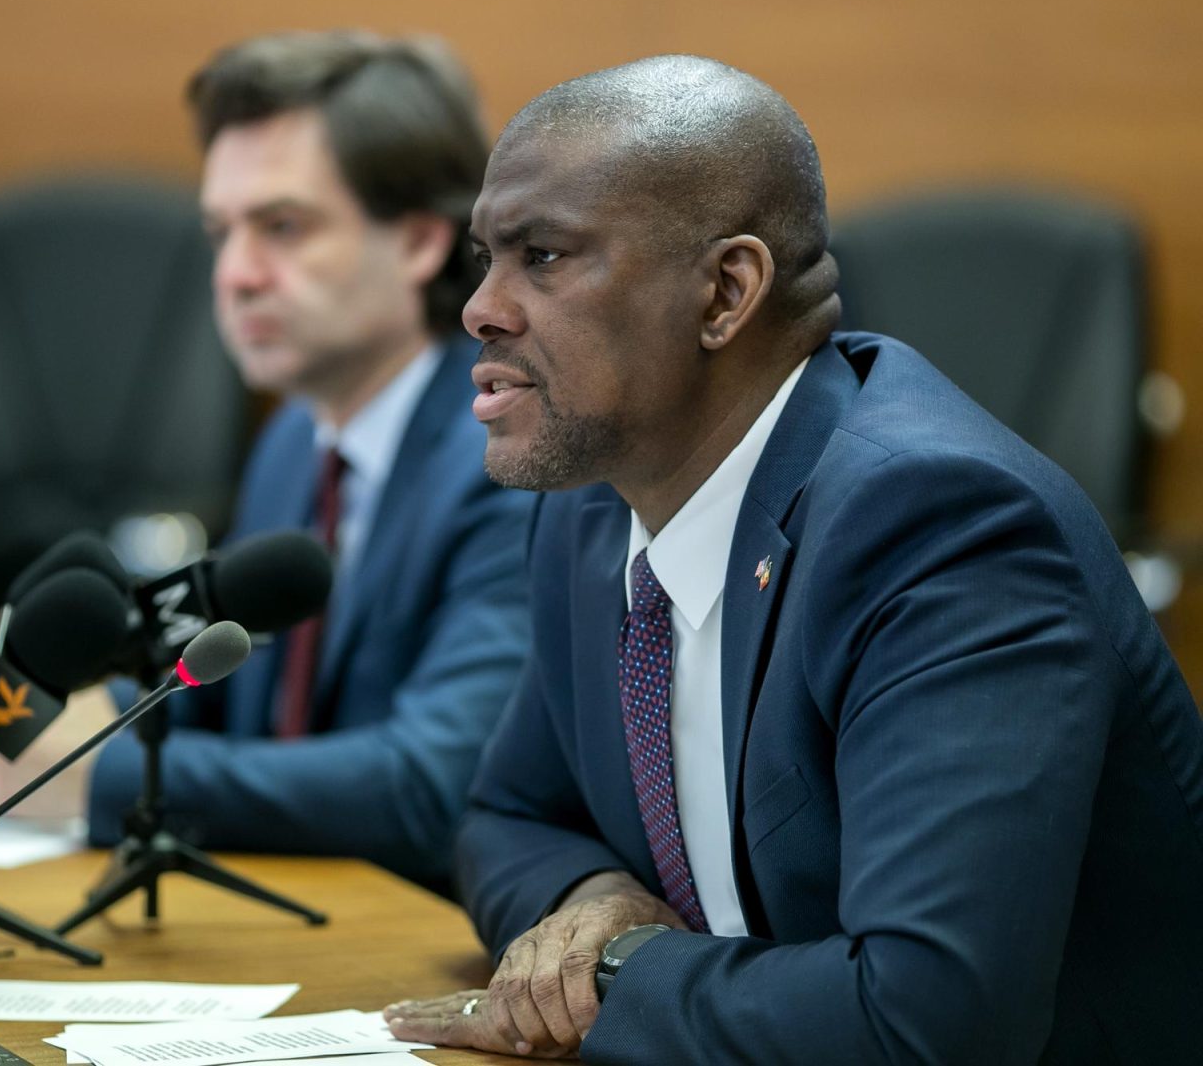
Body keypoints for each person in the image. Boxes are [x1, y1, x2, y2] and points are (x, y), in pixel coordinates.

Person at [384, 55, 1203, 1062]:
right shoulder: (595, 506)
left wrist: (615, 969)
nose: (481, 307)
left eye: (543, 256)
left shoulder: (942, 527)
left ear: (727, 291)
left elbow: (928, 1016)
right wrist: (590, 898)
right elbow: (507, 812)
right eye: (485, 258)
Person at [0, 31, 531, 893]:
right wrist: (63, 725)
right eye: (222, 232)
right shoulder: (294, 439)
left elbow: (434, 784)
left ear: (420, 242)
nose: (234, 274)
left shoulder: (509, 460)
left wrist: (89, 778)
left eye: (282, 227)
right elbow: (217, 684)